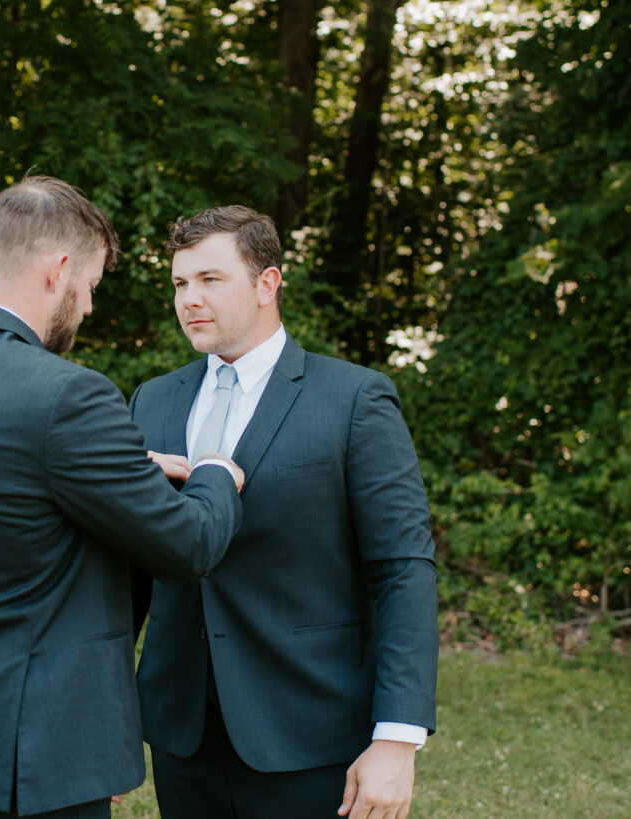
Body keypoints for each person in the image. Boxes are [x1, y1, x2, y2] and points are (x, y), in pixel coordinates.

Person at [0, 176, 246, 819]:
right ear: (58, 272)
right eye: (88, 288)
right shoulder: (67, 396)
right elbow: (189, 544)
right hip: (34, 755)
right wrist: (219, 472)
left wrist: (116, 467)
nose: (86, 310)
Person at [129, 206, 438, 819]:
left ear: (267, 284)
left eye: (210, 280)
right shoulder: (151, 401)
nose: (189, 298)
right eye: (180, 283)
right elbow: (128, 577)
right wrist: (107, 721)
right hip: (180, 734)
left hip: (311, 733)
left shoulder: (353, 399)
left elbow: (404, 569)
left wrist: (396, 739)